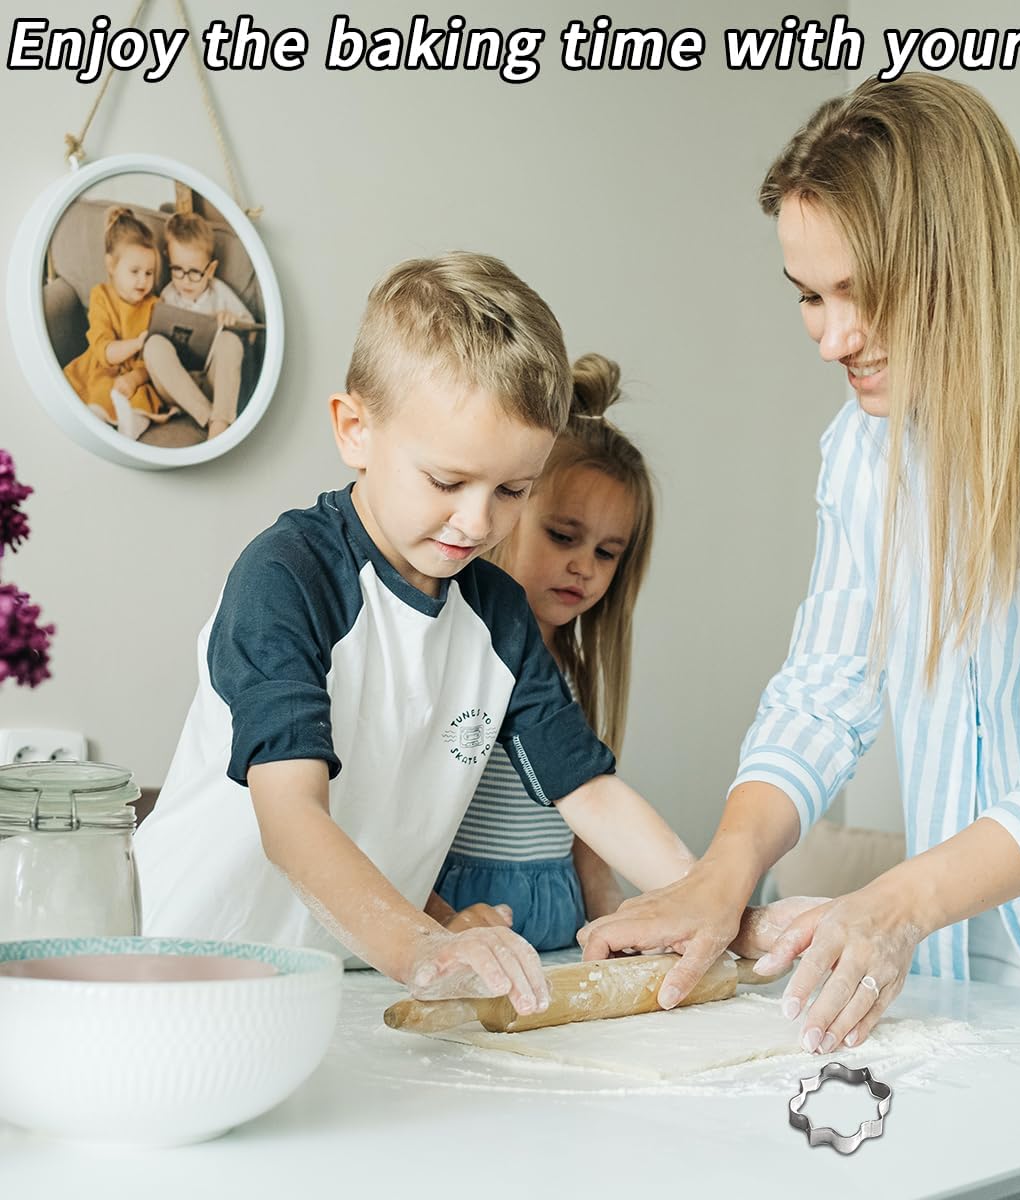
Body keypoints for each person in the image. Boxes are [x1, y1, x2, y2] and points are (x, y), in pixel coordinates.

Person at [580, 74, 1020, 1059]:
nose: (833, 338)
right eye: (809, 296)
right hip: (963, 998)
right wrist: (721, 873)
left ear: (968, 266)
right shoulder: (862, 450)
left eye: (862, 293)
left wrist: (897, 905)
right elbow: (823, 695)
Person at [135, 253, 695, 1015]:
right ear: (355, 429)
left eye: (513, 490)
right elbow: (292, 816)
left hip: (353, 977)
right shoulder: (288, 577)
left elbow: (588, 792)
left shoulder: (497, 614)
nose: (478, 520)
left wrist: (711, 905)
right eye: (447, 481)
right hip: (194, 967)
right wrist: (424, 948)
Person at [427, 353, 653, 949]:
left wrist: (611, 909)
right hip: (466, 915)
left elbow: (585, 817)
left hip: (560, 922)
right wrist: (438, 921)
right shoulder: (463, 659)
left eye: (606, 553)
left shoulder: (574, 673)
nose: (584, 566)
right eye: (563, 536)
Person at [63, 206, 175, 441]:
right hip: (103, 366)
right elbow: (104, 351)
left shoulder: (155, 305)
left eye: (149, 273)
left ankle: (131, 423)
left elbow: (154, 362)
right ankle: (97, 419)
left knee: (143, 397)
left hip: (139, 374)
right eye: (135, 271)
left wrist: (135, 378)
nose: (143, 281)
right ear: (111, 266)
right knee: (102, 388)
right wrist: (136, 344)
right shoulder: (101, 296)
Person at [142, 211, 254, 442]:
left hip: (213, 383)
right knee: (153, 345)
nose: (185, 280)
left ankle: (220, 422)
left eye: (194, 272)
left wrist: (232, 320)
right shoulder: (167, 294)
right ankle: (208, 416)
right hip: (177, 388)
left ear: (210, 270)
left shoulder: (219, 292)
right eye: (177, 270)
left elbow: (253, 332)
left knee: (230, 341)